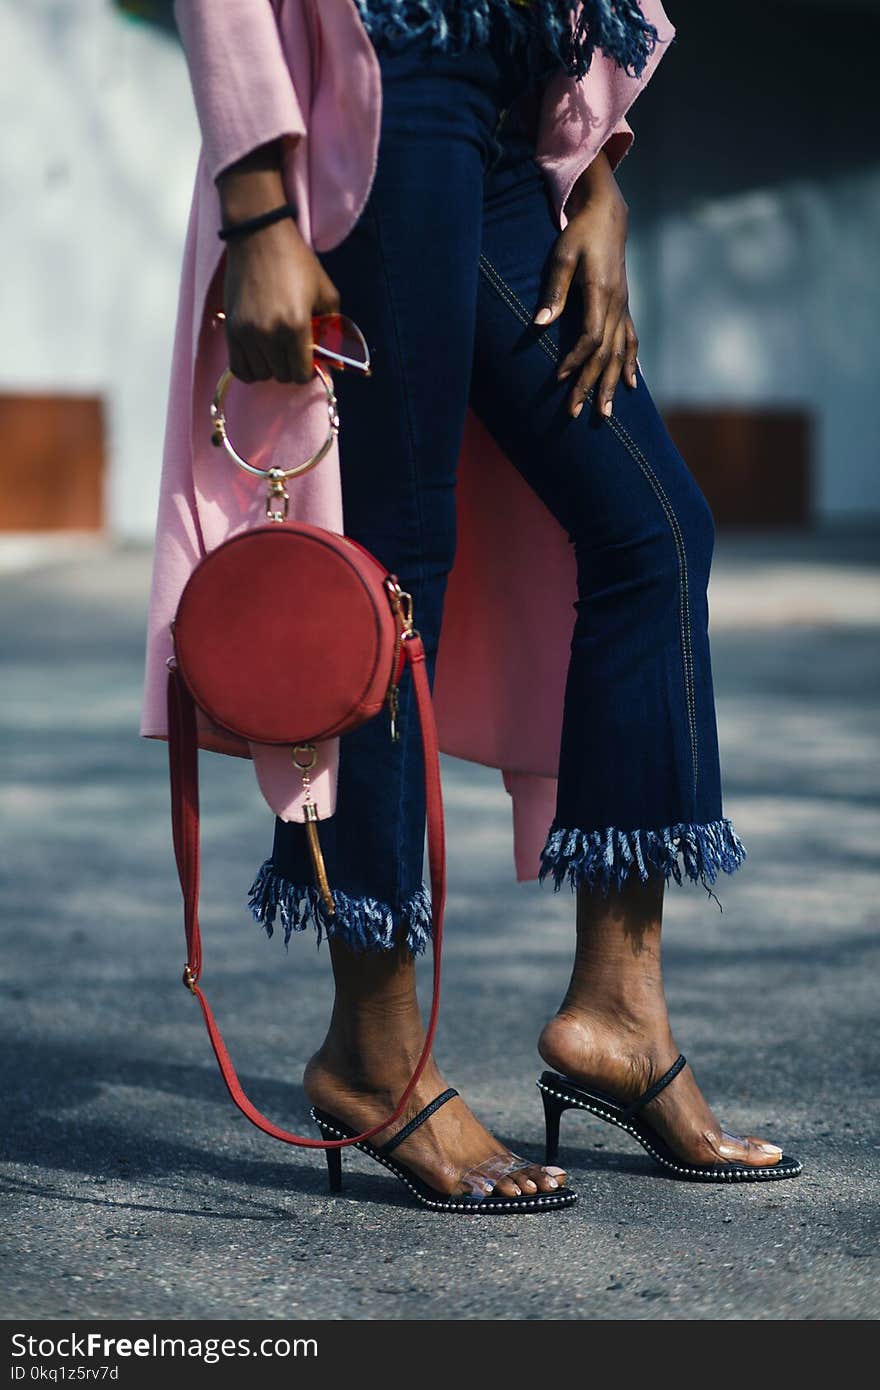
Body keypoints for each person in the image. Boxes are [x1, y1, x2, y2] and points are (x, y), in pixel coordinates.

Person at [144, 0, 801, 1213]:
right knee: (388, 579)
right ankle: (372, 1052)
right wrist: (257, 209)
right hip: (380, 90)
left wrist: (597, 170)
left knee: (651, 528)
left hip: (508, 110)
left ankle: (617, 1011)